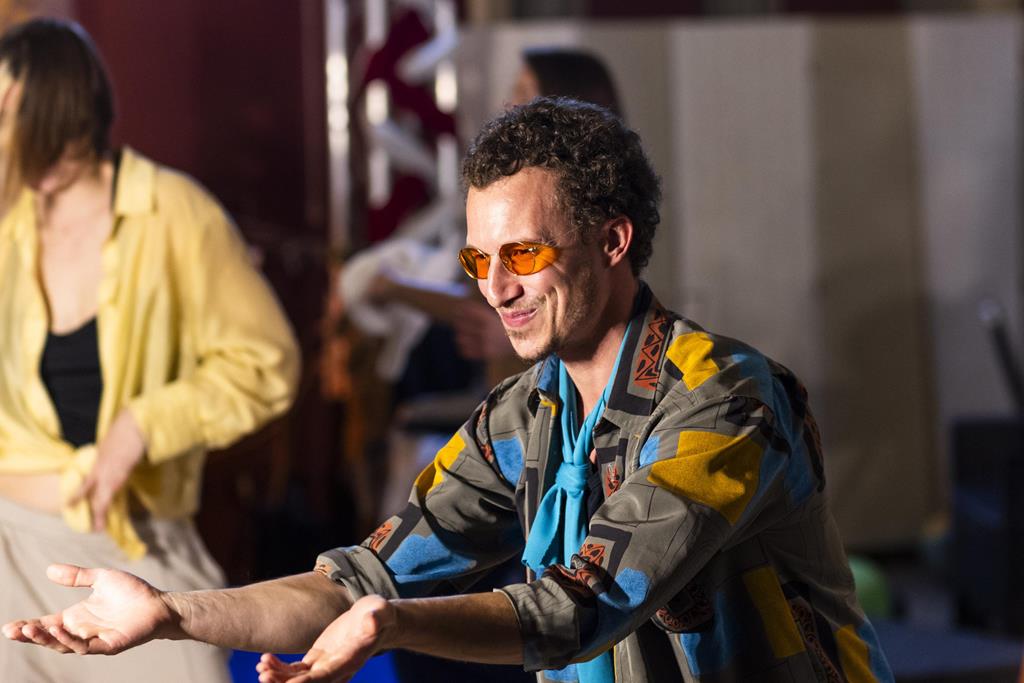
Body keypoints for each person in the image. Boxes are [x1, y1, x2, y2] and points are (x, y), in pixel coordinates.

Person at [3, 97, 892, 683]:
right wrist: (171, 613)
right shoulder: (523, 417)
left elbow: (578, 605)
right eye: (477, 259)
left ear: (613, 241)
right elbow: (354, 578)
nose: (494, 288)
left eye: (523, 254)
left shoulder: (724, 400)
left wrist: (390, 623)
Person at [0, 18, 299, 682]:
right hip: (9, 541)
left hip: (131, 540)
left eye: (3, 110)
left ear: (49, 108)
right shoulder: (7, 220)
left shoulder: (174, 210)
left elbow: (266, 364)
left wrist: (145, 422)